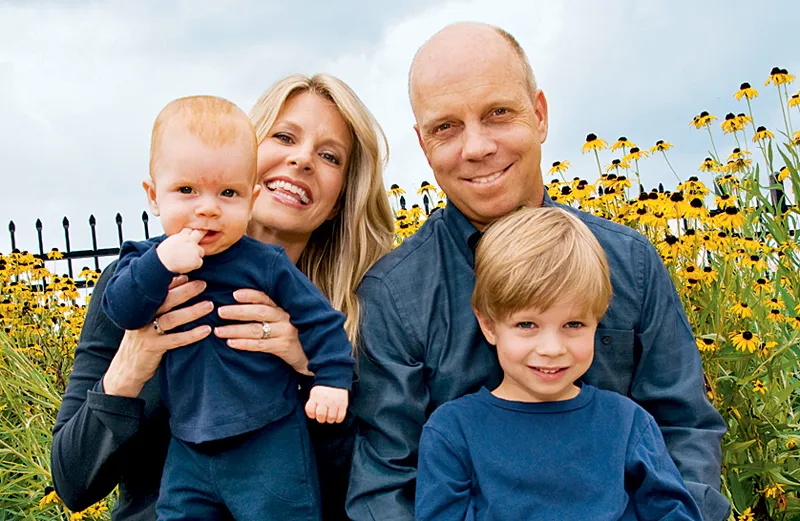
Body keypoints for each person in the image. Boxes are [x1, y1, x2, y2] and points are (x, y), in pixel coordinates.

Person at [347, 22, 729, 521]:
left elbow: (684, 431)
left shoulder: (631, 264)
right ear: (424, 146)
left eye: (498, 113)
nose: (477, 146)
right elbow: (387, 485)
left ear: (540, 115)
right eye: (447, 127)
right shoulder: (395, 295)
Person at [51, 74, 394, 521]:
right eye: (284, 136)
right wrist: (132, 362)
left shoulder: (361, 304)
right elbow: (74, 484)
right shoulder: (138, 280)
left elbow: (368, 485)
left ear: (341, 197)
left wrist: (308, 365)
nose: (301, 159)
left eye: (329, 156)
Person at [415, 206, 703, 521]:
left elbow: (673, 511)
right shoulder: (453, 431)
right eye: (527, 325)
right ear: (489, 325)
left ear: (597, 320)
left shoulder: (627, 424)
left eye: (573, 325)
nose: (552, 349)